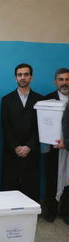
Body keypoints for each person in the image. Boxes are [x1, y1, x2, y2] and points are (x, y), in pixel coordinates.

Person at [1, 63, 42, 202]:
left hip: (32, 149)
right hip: (12, 150)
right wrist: (16, 146)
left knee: (30, 184)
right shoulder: (6, 100)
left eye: (26, 74)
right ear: (15, 78)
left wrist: (29, 146)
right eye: (20, 75)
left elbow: (40, 127)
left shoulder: (40, 100)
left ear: (31, 77)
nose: (23, 77)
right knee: (10, 183)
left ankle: (30, 215)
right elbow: (5, 126)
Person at [44, 68, 69, 223]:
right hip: (52, 148)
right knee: (51, 178)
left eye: (67, 79)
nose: (64, 83)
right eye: (61, 79)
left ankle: (66, 212)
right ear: (55, 82)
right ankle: (51, 211)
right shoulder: (47, 100)